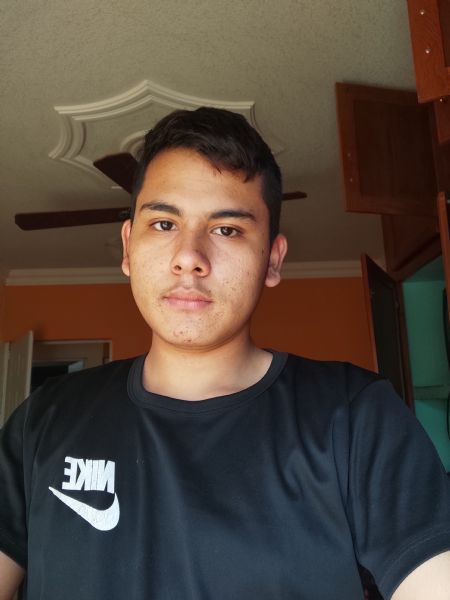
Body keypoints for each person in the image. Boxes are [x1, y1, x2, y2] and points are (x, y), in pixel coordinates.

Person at [0, 107, 449, 600]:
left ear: (272, 260)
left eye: (227, 229)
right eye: (164, 223)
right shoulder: (43, 421)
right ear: (128, 247)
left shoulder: (355, 415)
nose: (189, 257)